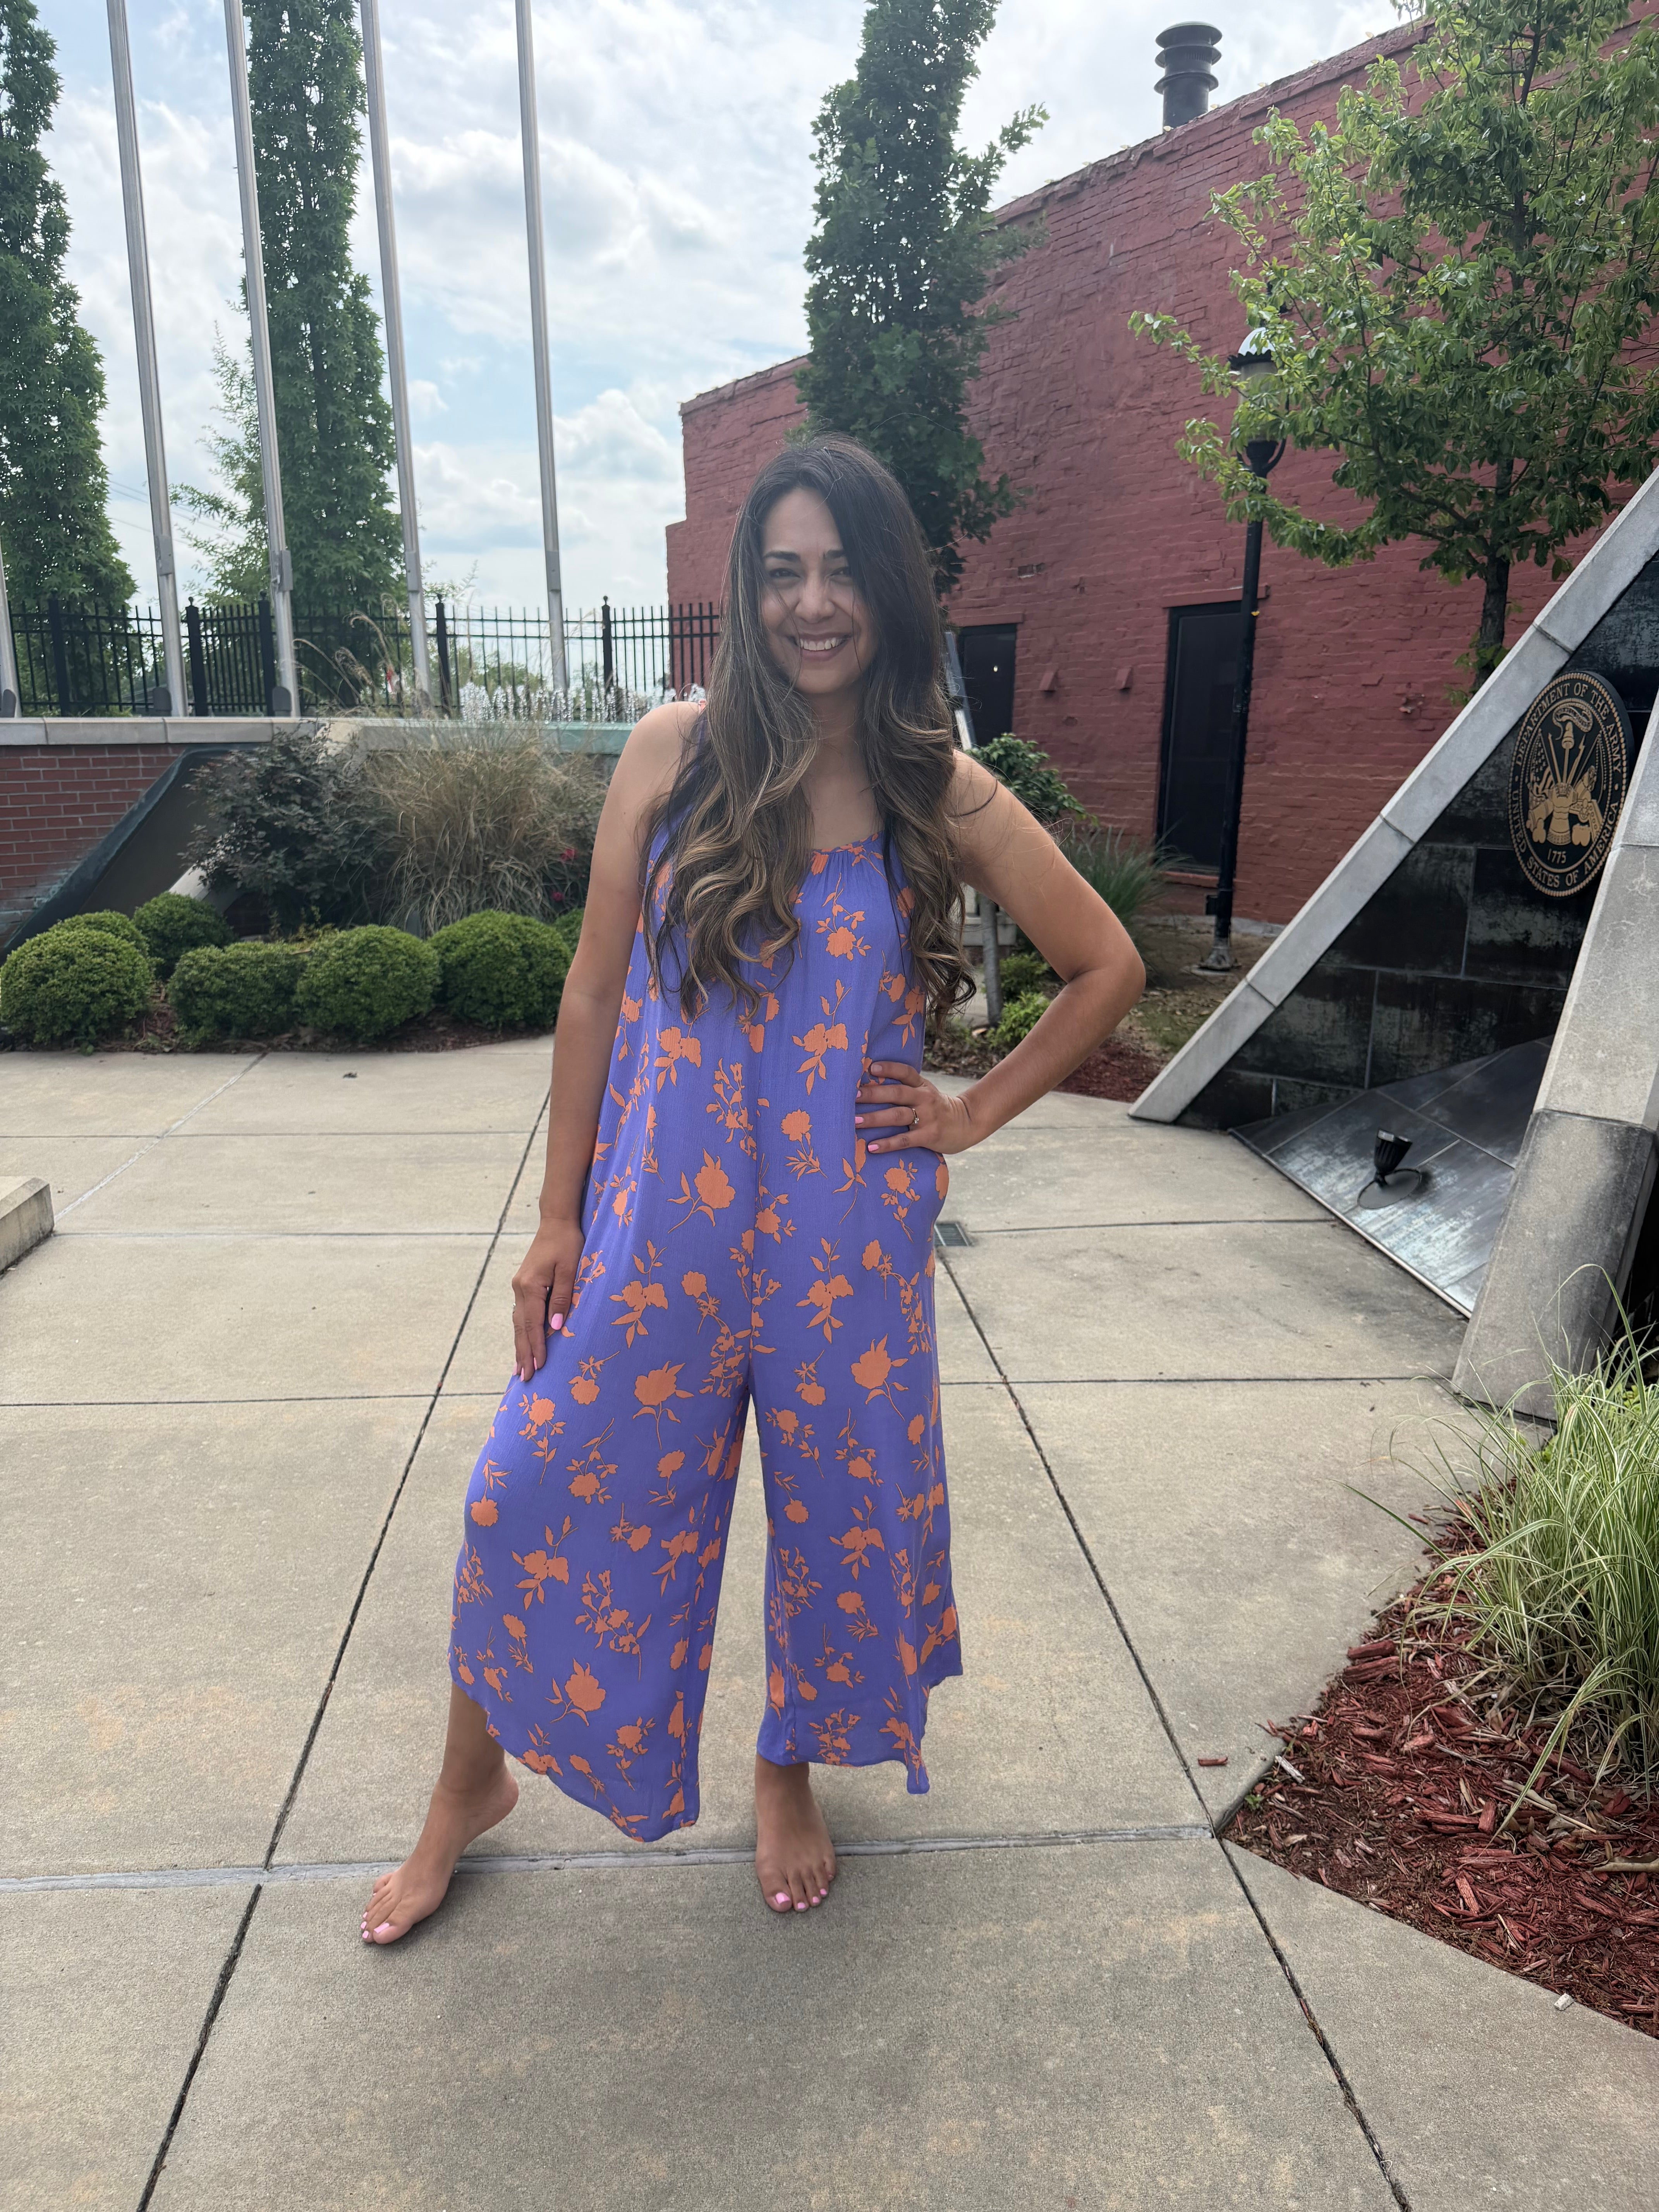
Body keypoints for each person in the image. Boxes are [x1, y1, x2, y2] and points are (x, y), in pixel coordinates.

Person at [362, 435, 1144, 1943]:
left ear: (890, 591)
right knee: (524, 1488)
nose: (813, 603)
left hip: (849, 1237)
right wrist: (553, 1217)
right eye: (784, 571)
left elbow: (1105, 965)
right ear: (747, 589)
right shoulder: (675, 753)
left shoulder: (943, 792)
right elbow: (591, 994)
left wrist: (970, 1111)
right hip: (664, 1227)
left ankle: (787, 1761)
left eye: (844, 569)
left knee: (842, 1512)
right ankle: (470, 1784)